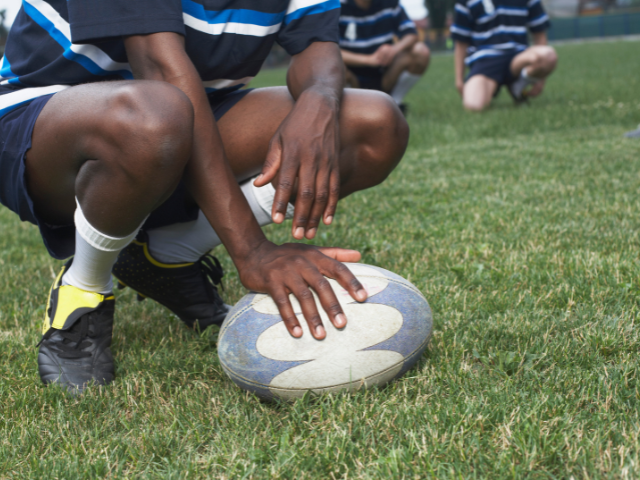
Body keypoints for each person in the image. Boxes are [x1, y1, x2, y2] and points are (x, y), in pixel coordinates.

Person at [0, 0, 409, 393]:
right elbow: (158, 66)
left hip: (184, 112)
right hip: (46, 120)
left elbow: (316, 47)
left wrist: (319, 99)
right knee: (154, 117)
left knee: (372, 125)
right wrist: (252, 252)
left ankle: (167, 256)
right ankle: (84, 290)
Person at [451, 0, 558, 111]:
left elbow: (540, 33)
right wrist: (459, 80)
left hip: (518, 57)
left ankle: (518, 85)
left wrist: (541, 79)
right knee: (473, 106)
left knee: (548, 55)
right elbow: (461, 41)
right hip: (485, 61)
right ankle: (490, 86)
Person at [338, 0, 431, 114]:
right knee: (331, 64)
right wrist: (368, 60)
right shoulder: (337, 7)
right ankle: (349, 108)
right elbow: (329, 50)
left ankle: (396, 103)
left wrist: (394, 49)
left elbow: (411, 34)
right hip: (352, 77)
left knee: (420, 51)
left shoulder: (390, 3)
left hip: (384, 72)